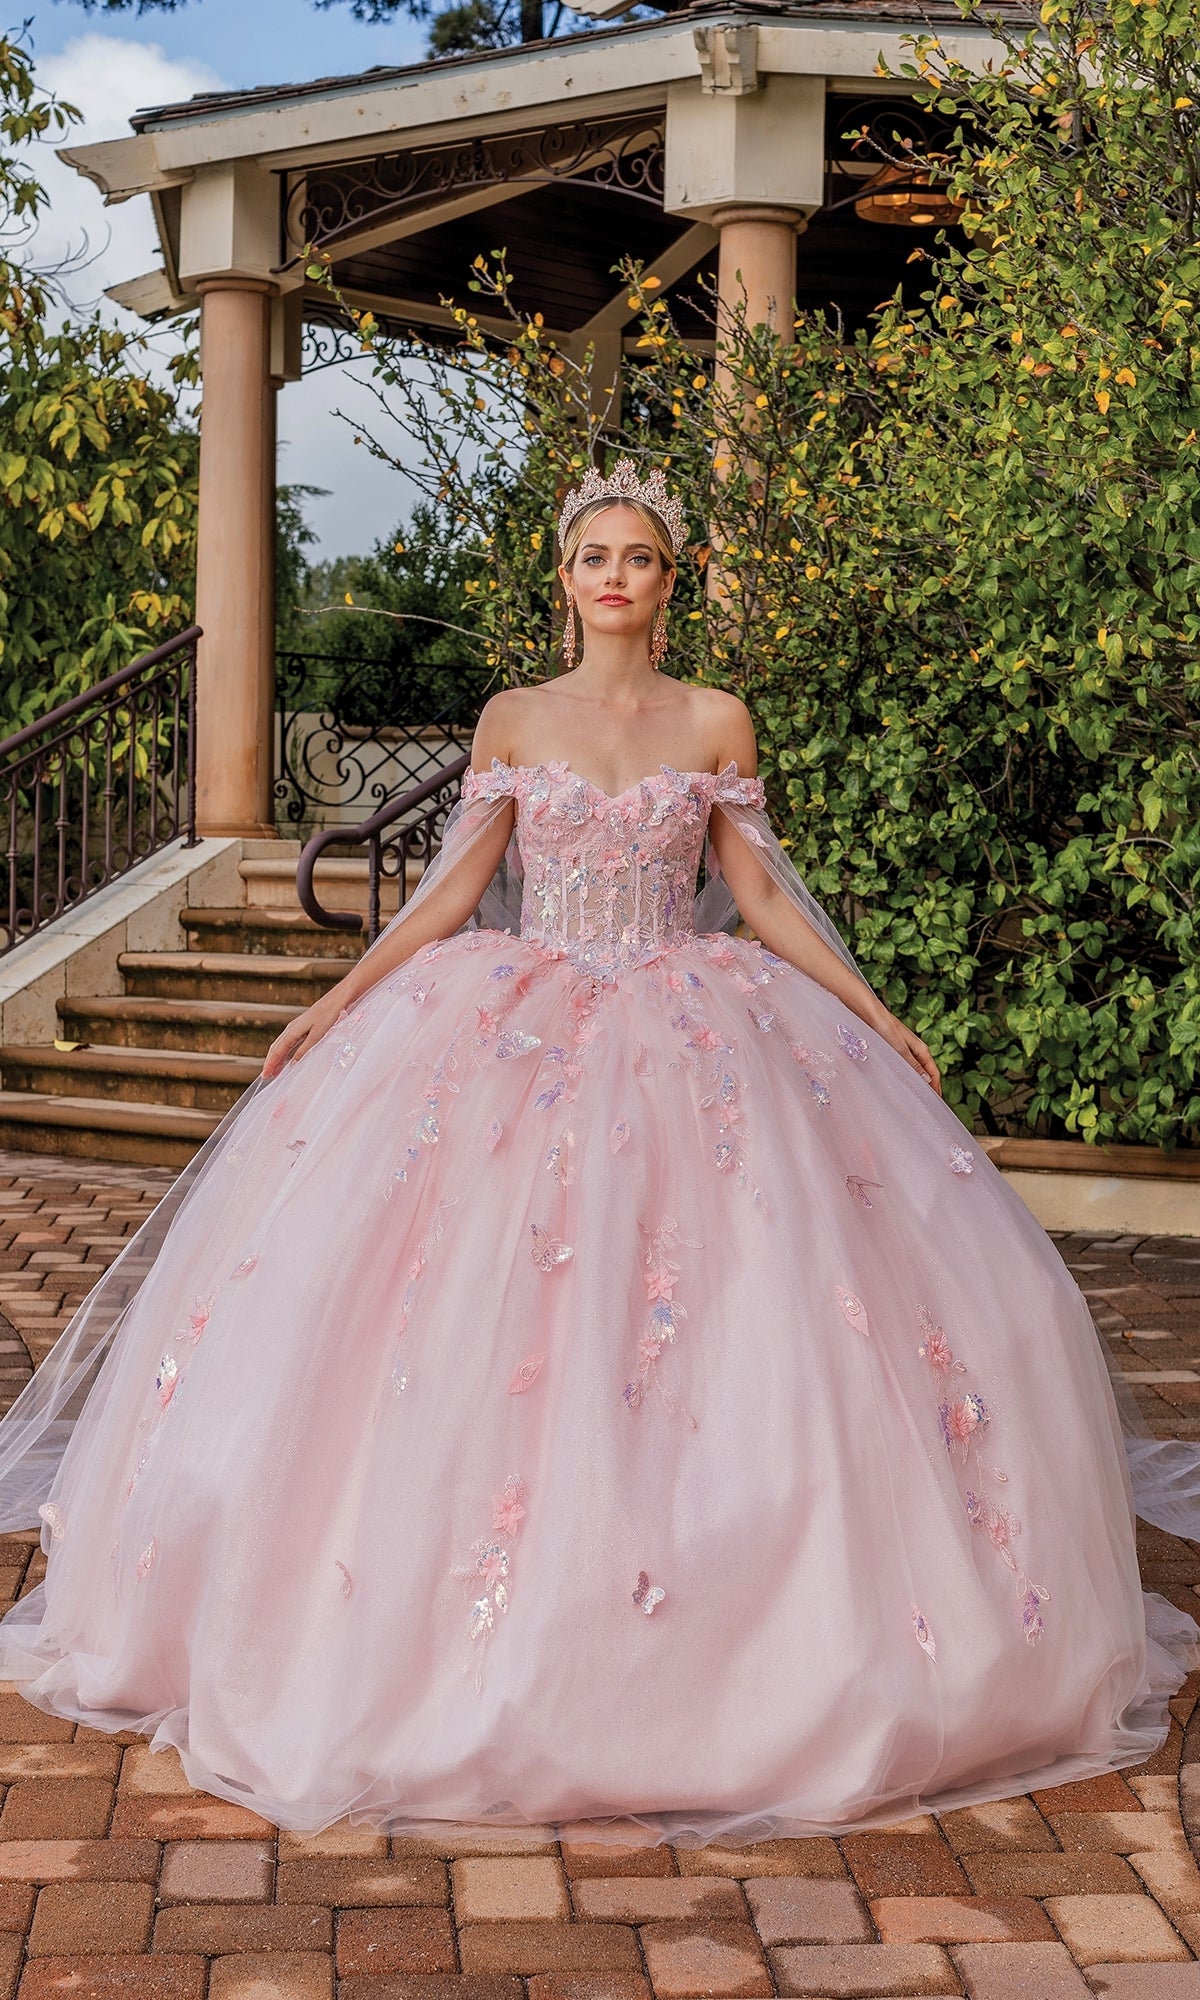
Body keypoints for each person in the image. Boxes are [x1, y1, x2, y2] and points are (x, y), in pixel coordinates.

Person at [0, 457, 1195, 1845]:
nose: (614, 576)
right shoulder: (516, 714)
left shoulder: (716, 720)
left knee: (733, 1313)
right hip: (521, 1019)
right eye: (593, 556)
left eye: (638, 557)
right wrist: (335, 1002)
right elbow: (453, 892)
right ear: (563, 578)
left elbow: (759, 897)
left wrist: (872, 1011)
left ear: (670, 581)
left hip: (694, 1021)